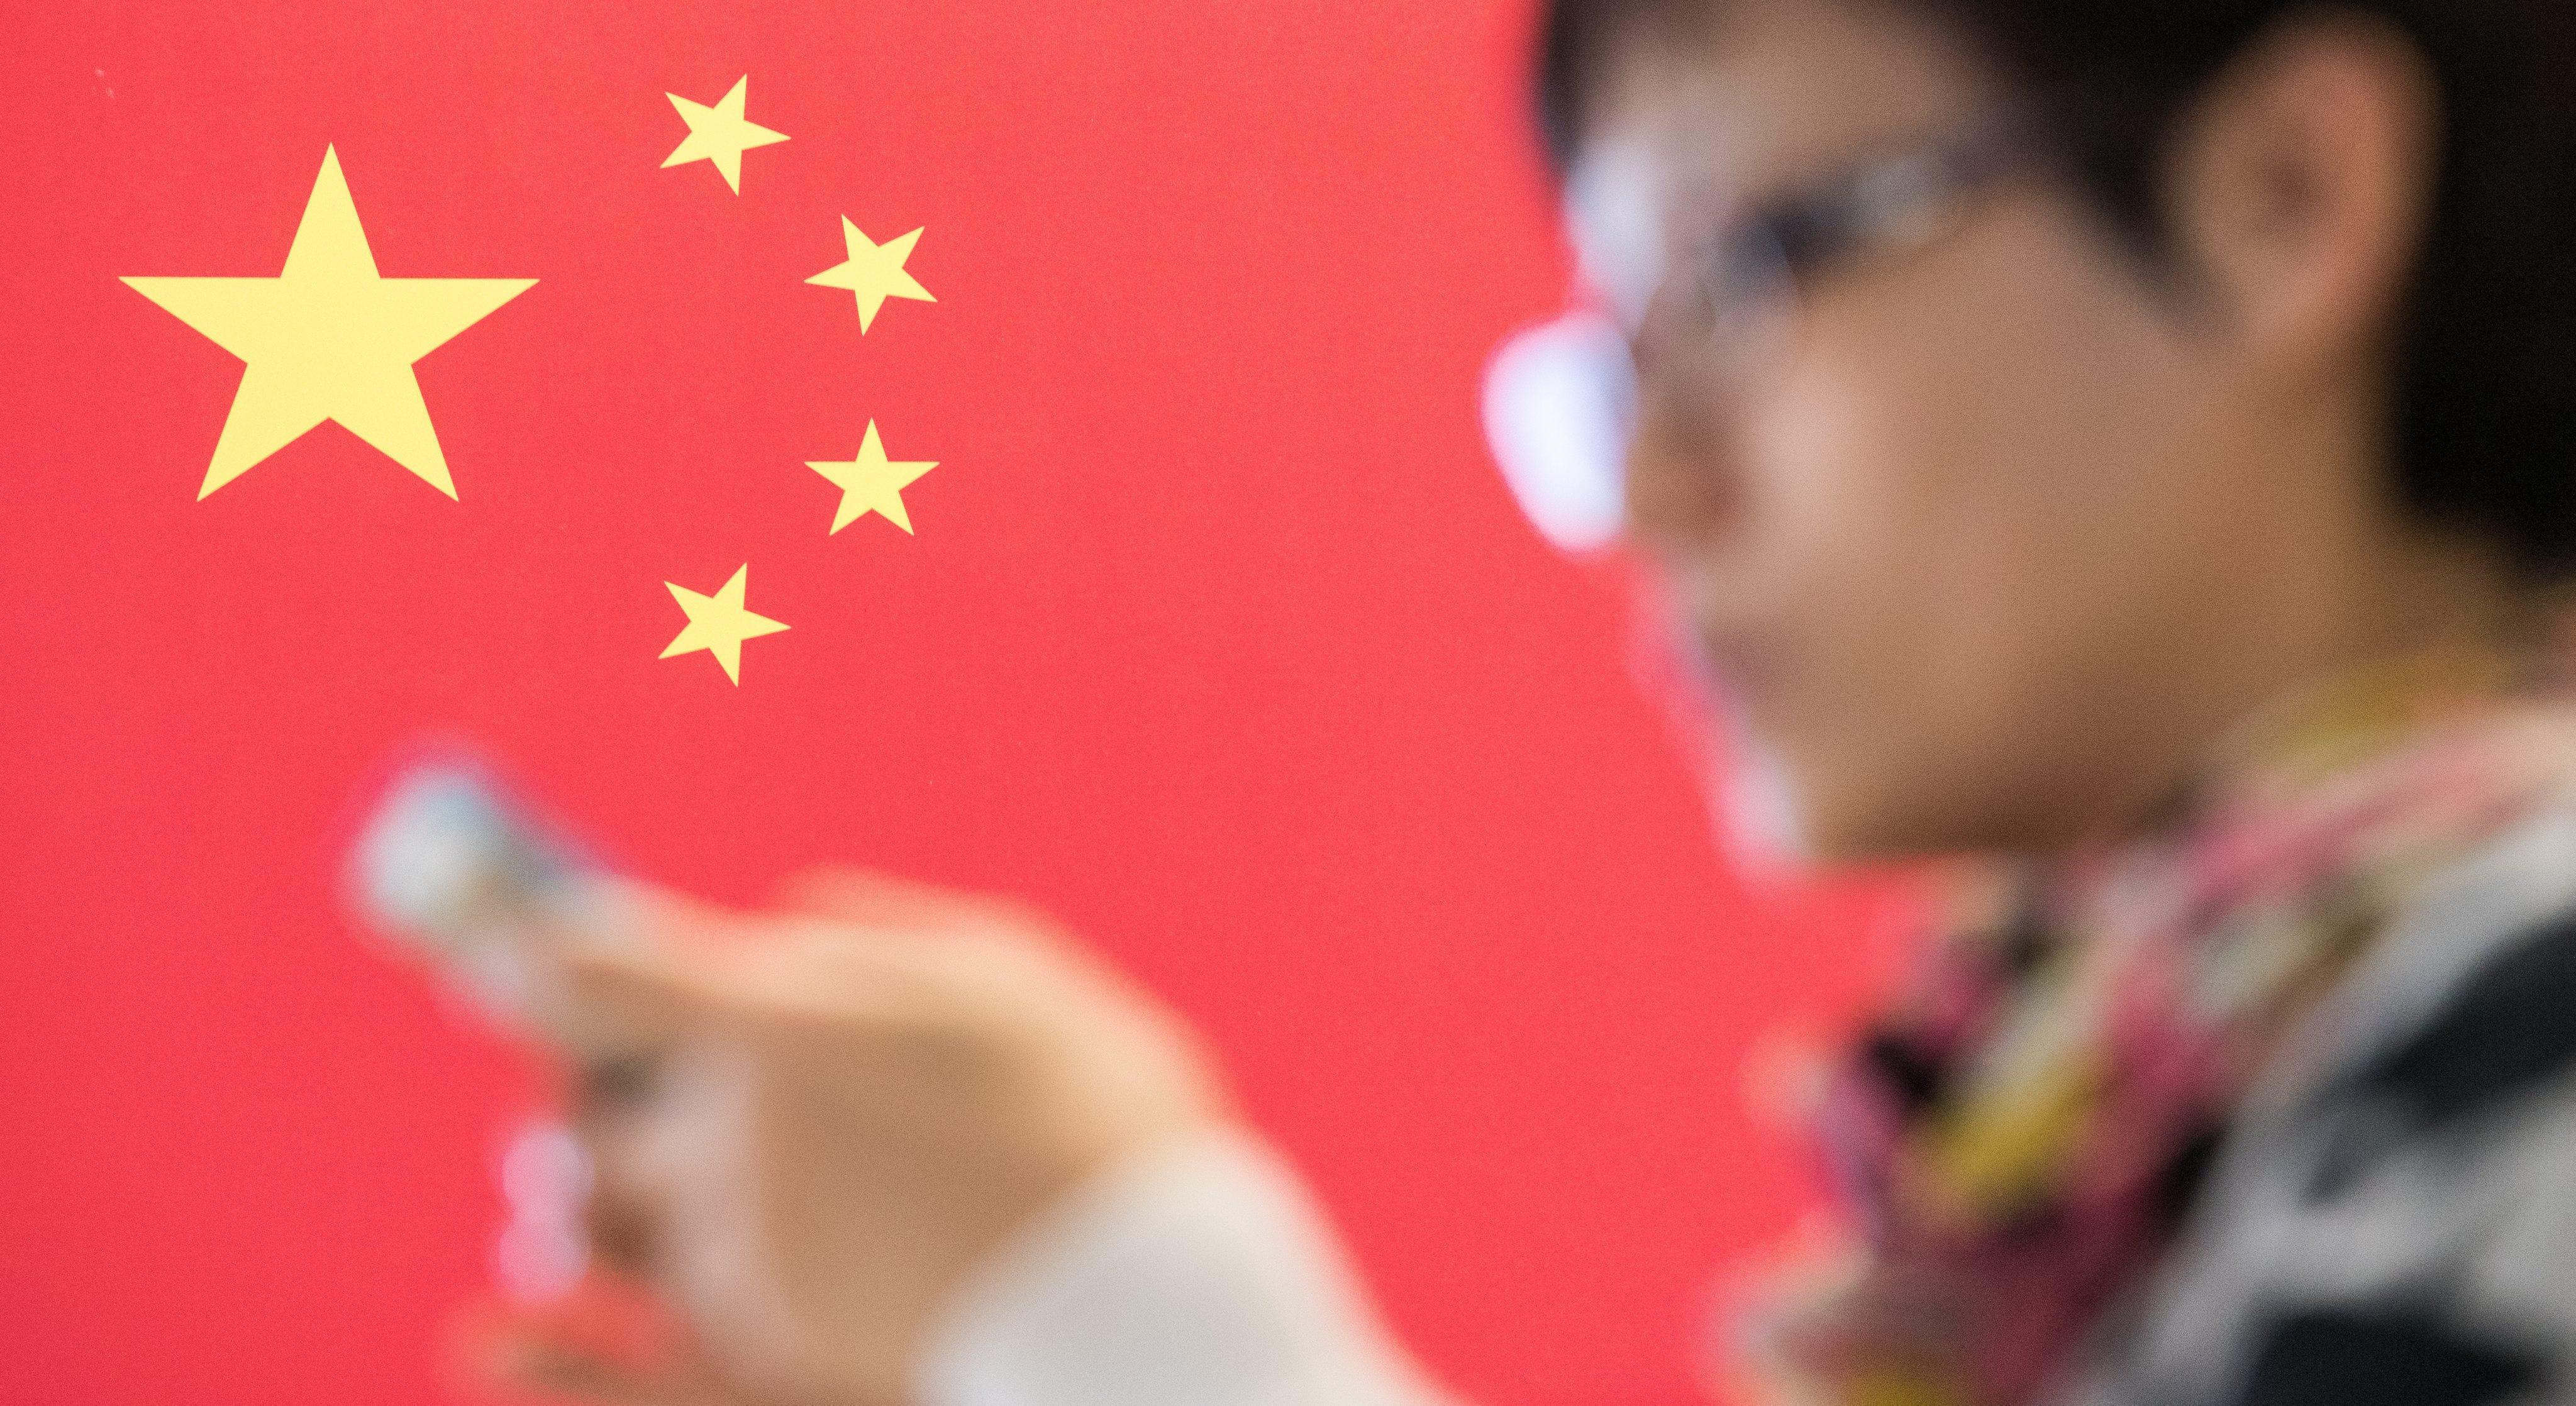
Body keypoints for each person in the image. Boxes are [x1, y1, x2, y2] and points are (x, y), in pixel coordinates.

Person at [489, 1, 2576, 1402]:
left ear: (2286, 195)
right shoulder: (2110, 1138)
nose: (1651, 488)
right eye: (1606, 374)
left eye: (1744, 276)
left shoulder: (2536, 1000)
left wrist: (1132, 1326)